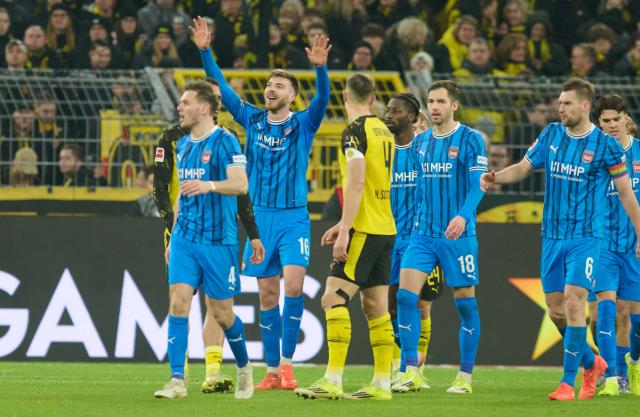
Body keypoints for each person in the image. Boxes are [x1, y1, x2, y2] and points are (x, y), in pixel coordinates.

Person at [192, 16, 330, 390]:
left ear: (292, 96)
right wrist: (205, 51)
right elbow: (219, 85)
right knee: (267, 293)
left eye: (279, 85)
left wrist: (321, 70)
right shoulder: (251, 118)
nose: (271, 89)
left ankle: (288, 365)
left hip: (293, 218)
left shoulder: (304, 123)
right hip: (258, 219)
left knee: (295, 286)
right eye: (269, 84)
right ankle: (271, 370)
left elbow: (324, 99)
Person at [482, 78, 640, 401]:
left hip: (588, 237)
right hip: (552, 237)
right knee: (556, 312)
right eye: (559, 103)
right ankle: (592, 363)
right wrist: (496, 176)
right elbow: (524, 168)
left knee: (574, 302)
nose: (560, 108)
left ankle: (568, 382)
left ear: (584, 106)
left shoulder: (606, 146)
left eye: (566, 103)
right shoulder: (551, 135)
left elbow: (626, 193)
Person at [152, 80, 265, 394]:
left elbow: (241, 185)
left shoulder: (226, 141)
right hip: (186, 238)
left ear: (203, 108)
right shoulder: (184, 144)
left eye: (185, 102)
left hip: (218, 241)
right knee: (178, 303)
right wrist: (174, 238)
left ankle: (243, 365)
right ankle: (177, 380)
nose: (179, 108)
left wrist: (210, 186)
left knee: (222, 313)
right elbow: (180, 198)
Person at [295, 73, 396, 400]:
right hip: (385, 227)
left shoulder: (354, 131)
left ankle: (332, 379)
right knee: (376, 307)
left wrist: (346, 227)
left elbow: (355, 182)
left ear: (343, 97)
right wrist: (344, 224)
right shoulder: (384, 129)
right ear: (373, 97)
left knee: (333, 298)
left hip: (364, 228)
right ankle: (382, 384)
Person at [394, 80, 487, 394]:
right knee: (405, 297)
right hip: (422, 235)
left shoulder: (470, 139)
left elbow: (478, 185)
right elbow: (418, 191)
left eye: (441, 102)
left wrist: (463, 215)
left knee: (465, 305)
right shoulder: (420, 143)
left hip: (458, 235)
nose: (434, 107)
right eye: (431, 101)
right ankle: (410, 370)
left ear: (454, 105)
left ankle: (464, 377)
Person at [384, 93, 444, 391]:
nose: (388, 115)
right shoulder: (382, 150)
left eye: (395, 111)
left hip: (418, 238)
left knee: (420, 304)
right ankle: (409, 359)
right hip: (386, 237)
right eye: (387, 110)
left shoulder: (425, 149)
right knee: (389, 305)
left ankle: (413, 367)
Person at [592, 95, 640, 396]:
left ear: (625, 118)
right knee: (606, 313)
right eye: (605, 120)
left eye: (615, 119)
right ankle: (613, 375)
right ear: (598, 122)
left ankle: (633, 361)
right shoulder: (594, 155)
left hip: (635, 245)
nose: (611, 125)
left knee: (634, 318)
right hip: (603, 244)